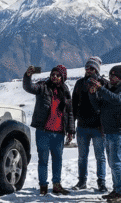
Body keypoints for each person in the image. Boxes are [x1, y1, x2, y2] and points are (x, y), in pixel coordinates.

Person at [23, 65, 75, 195]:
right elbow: (28, 87)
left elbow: (69, 112)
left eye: (58, 75)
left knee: (57, 160)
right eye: (53, 74)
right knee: (43, 160)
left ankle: (57, 185)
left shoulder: (66, 90)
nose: (55, 77)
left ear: (62, 77)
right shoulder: (43, 87)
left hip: (59, 133)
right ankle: (43, 186)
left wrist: (70, 131)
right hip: (43, 132)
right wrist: (28, 75)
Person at [88, 65, 121, 203]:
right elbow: (98, 106)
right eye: (110, 76)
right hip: (108, 130)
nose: (111, 79)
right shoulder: (111, 89)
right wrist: (92, 93)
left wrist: (101, 89)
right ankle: (116, 190)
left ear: (120, 76)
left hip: (119, 131)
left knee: (115, 162)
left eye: (113, 76)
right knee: (112, 162)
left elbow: (117, 100)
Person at [70, 56, 107, 192]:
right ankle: (82, 182)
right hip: (82, 126)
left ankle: (101, 182)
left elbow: (107, 105)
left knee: (100, 156)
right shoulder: (79, 84)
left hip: (98, 127)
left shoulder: (103, 83)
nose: (88, 70)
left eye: (91, 68)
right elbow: (73, 105)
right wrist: (71, 126)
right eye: (86, 67)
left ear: (96, 69)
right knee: (82, 157)